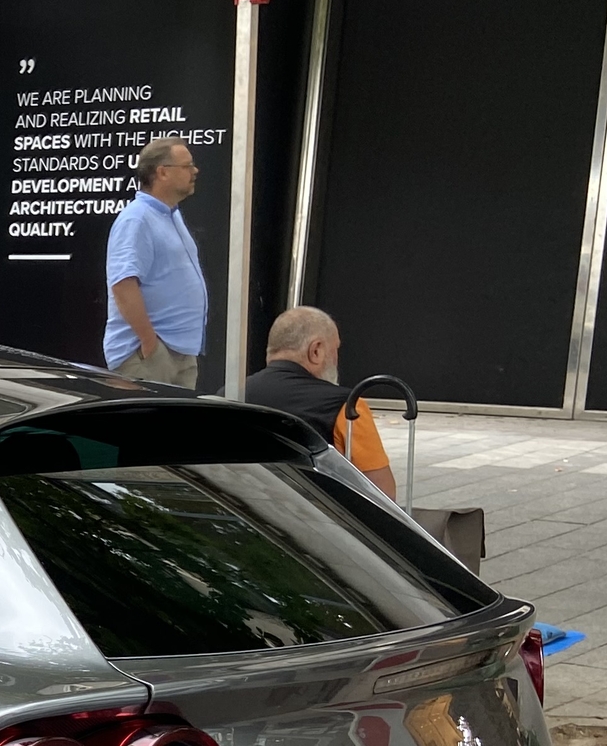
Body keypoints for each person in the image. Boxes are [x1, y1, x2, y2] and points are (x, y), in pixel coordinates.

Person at [244, 305, 397, 499]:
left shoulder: (229, 395)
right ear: (316, 350)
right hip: (318, 521)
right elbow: (382, 494)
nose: (336, 360)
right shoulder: (347, 407)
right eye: (335, 350)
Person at [104, 137, 208, 389]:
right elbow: (123, 286)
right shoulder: (136, 219)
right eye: (187, 166)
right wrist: (150, 344)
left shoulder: (170, 215)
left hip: (177, 353)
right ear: (162, 172)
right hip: (148, 357)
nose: (195, 171)